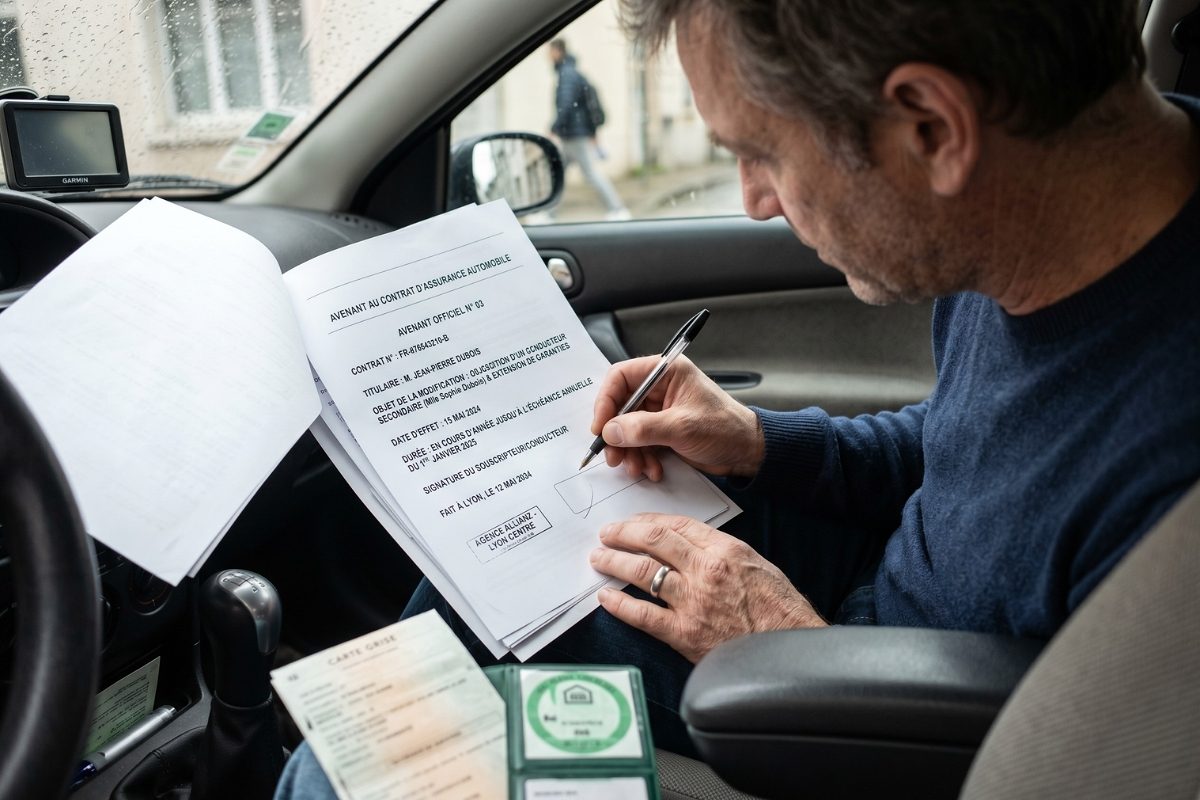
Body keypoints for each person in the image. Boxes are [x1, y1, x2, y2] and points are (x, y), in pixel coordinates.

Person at [276, 1, 1200, 794]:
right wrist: (759, 442)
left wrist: (791, 652)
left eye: (762, 152)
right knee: (466, 602)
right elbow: (968, 447)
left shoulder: (1173, 493)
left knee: (353, 772)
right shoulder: (1026, 236)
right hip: (861, 621)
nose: (755, 200)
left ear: (931, 127)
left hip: (878, 734)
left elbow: (1065, 768)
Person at [548, 38, 632, 220]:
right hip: (574, 133)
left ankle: (617, 209)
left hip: (573, 135)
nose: (548, 57)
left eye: (550, 52)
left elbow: (566, 104)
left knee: (588, 174)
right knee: (560, 174)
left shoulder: (567, 75)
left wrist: (554, 127)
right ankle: (549, 213)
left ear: (558, 52)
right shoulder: (572, 72)